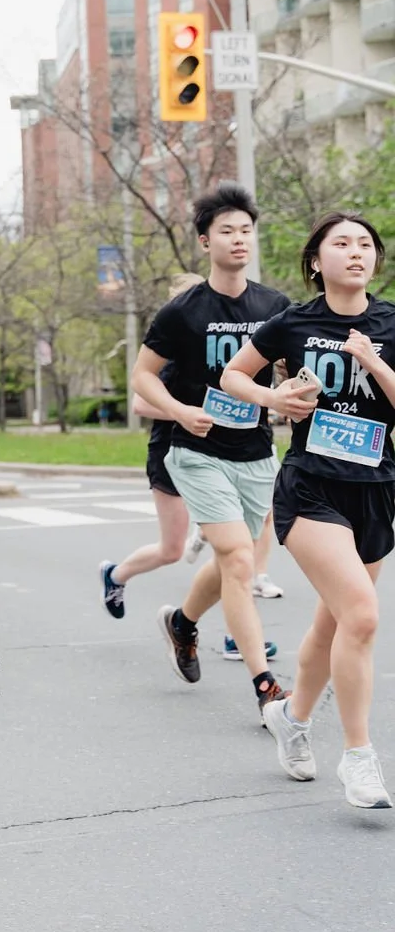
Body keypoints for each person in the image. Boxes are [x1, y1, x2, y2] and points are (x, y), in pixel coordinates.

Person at [222, 212, 395, 808]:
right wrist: (274, 398)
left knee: (334, 622)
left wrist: (372, 361)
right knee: (363, 615)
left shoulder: (391, 322)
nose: (356, 253)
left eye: (365, 244)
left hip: (374, 487)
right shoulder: (292, 323)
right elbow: (232, 374)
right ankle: (359, 757)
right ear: (317, 261)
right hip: (311, 486)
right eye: (341, 244)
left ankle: (292, 719)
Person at [130, 182, 291, 721]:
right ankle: (265, 686)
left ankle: (182, 623)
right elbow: (143, 377)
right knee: (241, 560)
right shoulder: (182, 311)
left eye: (247, 230)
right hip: (195, 451)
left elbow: (289, 374)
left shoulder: (274, 306)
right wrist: (178, 410)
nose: (240, 239)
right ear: (205, 241)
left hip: (255, 454)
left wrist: (293, 398)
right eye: (227, 231)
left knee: (231, 561)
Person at [101, 272, 280, 666]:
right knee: (172, 549)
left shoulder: (231, 351)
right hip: (174, 449)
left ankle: (236, 636)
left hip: (225, 454)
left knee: (235, 553)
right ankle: (116, 575)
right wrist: (179, 411)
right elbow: (139, 402)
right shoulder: (172, 355)